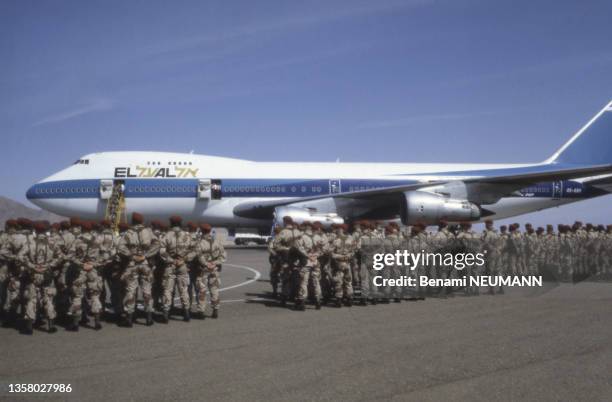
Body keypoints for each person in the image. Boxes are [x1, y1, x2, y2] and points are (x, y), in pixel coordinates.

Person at [117, 212, 159, 327]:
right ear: (142, 221)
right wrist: (146, 255)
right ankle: (149, 318)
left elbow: (120, 247)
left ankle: (129, 318)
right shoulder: (148, 232)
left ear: (132, 221)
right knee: (147, 290)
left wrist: (131, 255)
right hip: (145, 263)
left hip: (132, 264)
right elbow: (156, 244)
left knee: (130, 290)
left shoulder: (128, 233)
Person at [20, 221, 59, 334]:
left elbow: (20, 256)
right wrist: (48, 266)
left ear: (35, 231)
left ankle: (29, 327)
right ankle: (51, 326)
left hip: (33, 274)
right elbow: (60, 256)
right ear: (46, 231)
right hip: (47, 274)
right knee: (48, 299)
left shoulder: (30, 243)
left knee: (31, 299)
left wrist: (32, 266)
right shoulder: (52, 243)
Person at [159, 216, 194, 323]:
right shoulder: (187, 236)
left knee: (167, 290)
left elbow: (162, 251)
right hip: (182, 265)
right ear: (180, 223)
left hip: (170, 265)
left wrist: (170, 260)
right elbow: (195, 250)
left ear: (171, 223)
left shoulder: (166, 236)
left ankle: (165, 313)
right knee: (183, 289)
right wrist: (184, 259)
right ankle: (186, 313)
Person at [193, 223, 226, 318]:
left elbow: (199, 256)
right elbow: (223, 256)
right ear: (210, 231)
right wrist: (214, 263)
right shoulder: (217, 242)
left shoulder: (199, 243)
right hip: (215, 269)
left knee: (202, 290)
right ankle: (215, 309)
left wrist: (207, 264)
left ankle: (201, 311)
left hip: (203, 269)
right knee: (214, 289)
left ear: (201, 231)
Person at [330, 224, 355, 307]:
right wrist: (347, 256)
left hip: (339, 263)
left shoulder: (335, 240)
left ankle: (339, 299)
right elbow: (353, 251)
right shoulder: (350, 239)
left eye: (338, 229)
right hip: (347, 263)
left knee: (339, 281)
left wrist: (339, 256)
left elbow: (331, 253)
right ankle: (349, 298)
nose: (337, 230)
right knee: (348, 281)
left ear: (340, 230)